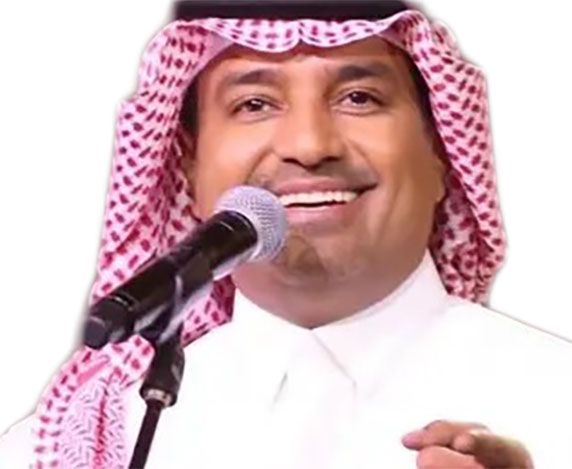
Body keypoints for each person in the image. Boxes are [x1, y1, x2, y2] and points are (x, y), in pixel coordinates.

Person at [1, 1, 571, 467]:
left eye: (359, 98)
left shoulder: (556, 406)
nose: (309, 144)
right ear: (188, 168)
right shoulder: (86, 444)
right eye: (254, 104)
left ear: (440, 150)